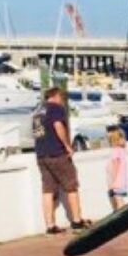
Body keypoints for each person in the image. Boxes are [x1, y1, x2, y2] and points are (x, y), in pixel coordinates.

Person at [33, 87, 87, 234]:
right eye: (63, 99)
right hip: (57, 153)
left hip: (42, 155)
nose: (63, 102)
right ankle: (77, 221)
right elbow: (58, 126)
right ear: (56, 96)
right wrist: (68, 146)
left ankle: (50, 226)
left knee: (47, 190)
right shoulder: (55, 108)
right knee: (71, 185)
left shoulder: (38, 111)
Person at [106, 126, 128, 211]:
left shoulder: (115, 151)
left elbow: (115, 166)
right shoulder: (122, 151)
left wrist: (113, 182)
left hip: (117, 181)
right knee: (120, 199)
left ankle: (121, 216)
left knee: (118, 200)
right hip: (122, 180)